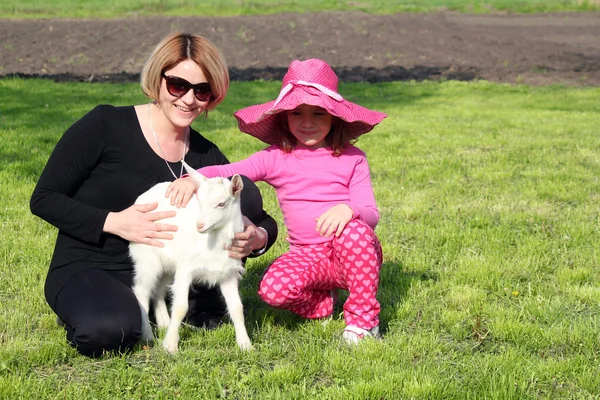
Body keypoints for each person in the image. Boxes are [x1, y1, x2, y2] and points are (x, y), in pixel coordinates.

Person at [29, 32, 278, 358]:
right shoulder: (104, 125)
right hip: (95, 266)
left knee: (245, 192)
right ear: (157, 79)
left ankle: (188, 304)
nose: (189, 99)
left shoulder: (206, 156)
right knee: (107, 332)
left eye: (202, 91)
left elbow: (262, 218)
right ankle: (98, 306)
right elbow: (44, 197)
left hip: (171, 267)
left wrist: (257, 237)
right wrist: (113, 221)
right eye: (178, 85)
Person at [167, 58, 386, 344]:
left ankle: (363, 321)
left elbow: (371, 213)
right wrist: (197, 179)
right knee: (273, 290)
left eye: (318, 114)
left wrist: (350, 210)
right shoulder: (276, 158)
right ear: (285, 117)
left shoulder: (352, 159)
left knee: (355, 231)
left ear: (335, 117)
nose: (307, 123)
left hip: (351, 253)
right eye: (297, 114)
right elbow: (230, 171)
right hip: (307, 255)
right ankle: (323, 302)